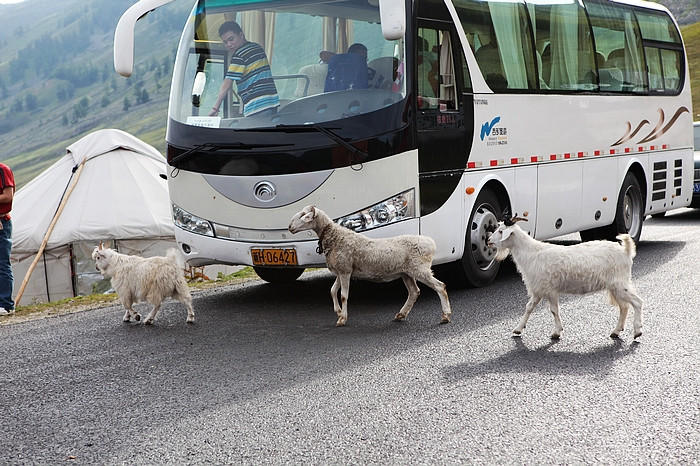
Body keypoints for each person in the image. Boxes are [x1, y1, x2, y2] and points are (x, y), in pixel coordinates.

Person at [209, 21, 279, 117]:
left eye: (231, 39)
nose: (229, 44)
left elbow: (228, 81)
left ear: (241, 35)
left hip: (256, 107)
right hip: (272, 103)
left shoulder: (239, 55)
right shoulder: (257, 47)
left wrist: (215, 108)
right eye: (225, 42)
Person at [0, 163, 15, 315]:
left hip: (2, 222)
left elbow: (7, 196)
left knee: (2, 264)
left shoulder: (2, 170)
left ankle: (6, 304)